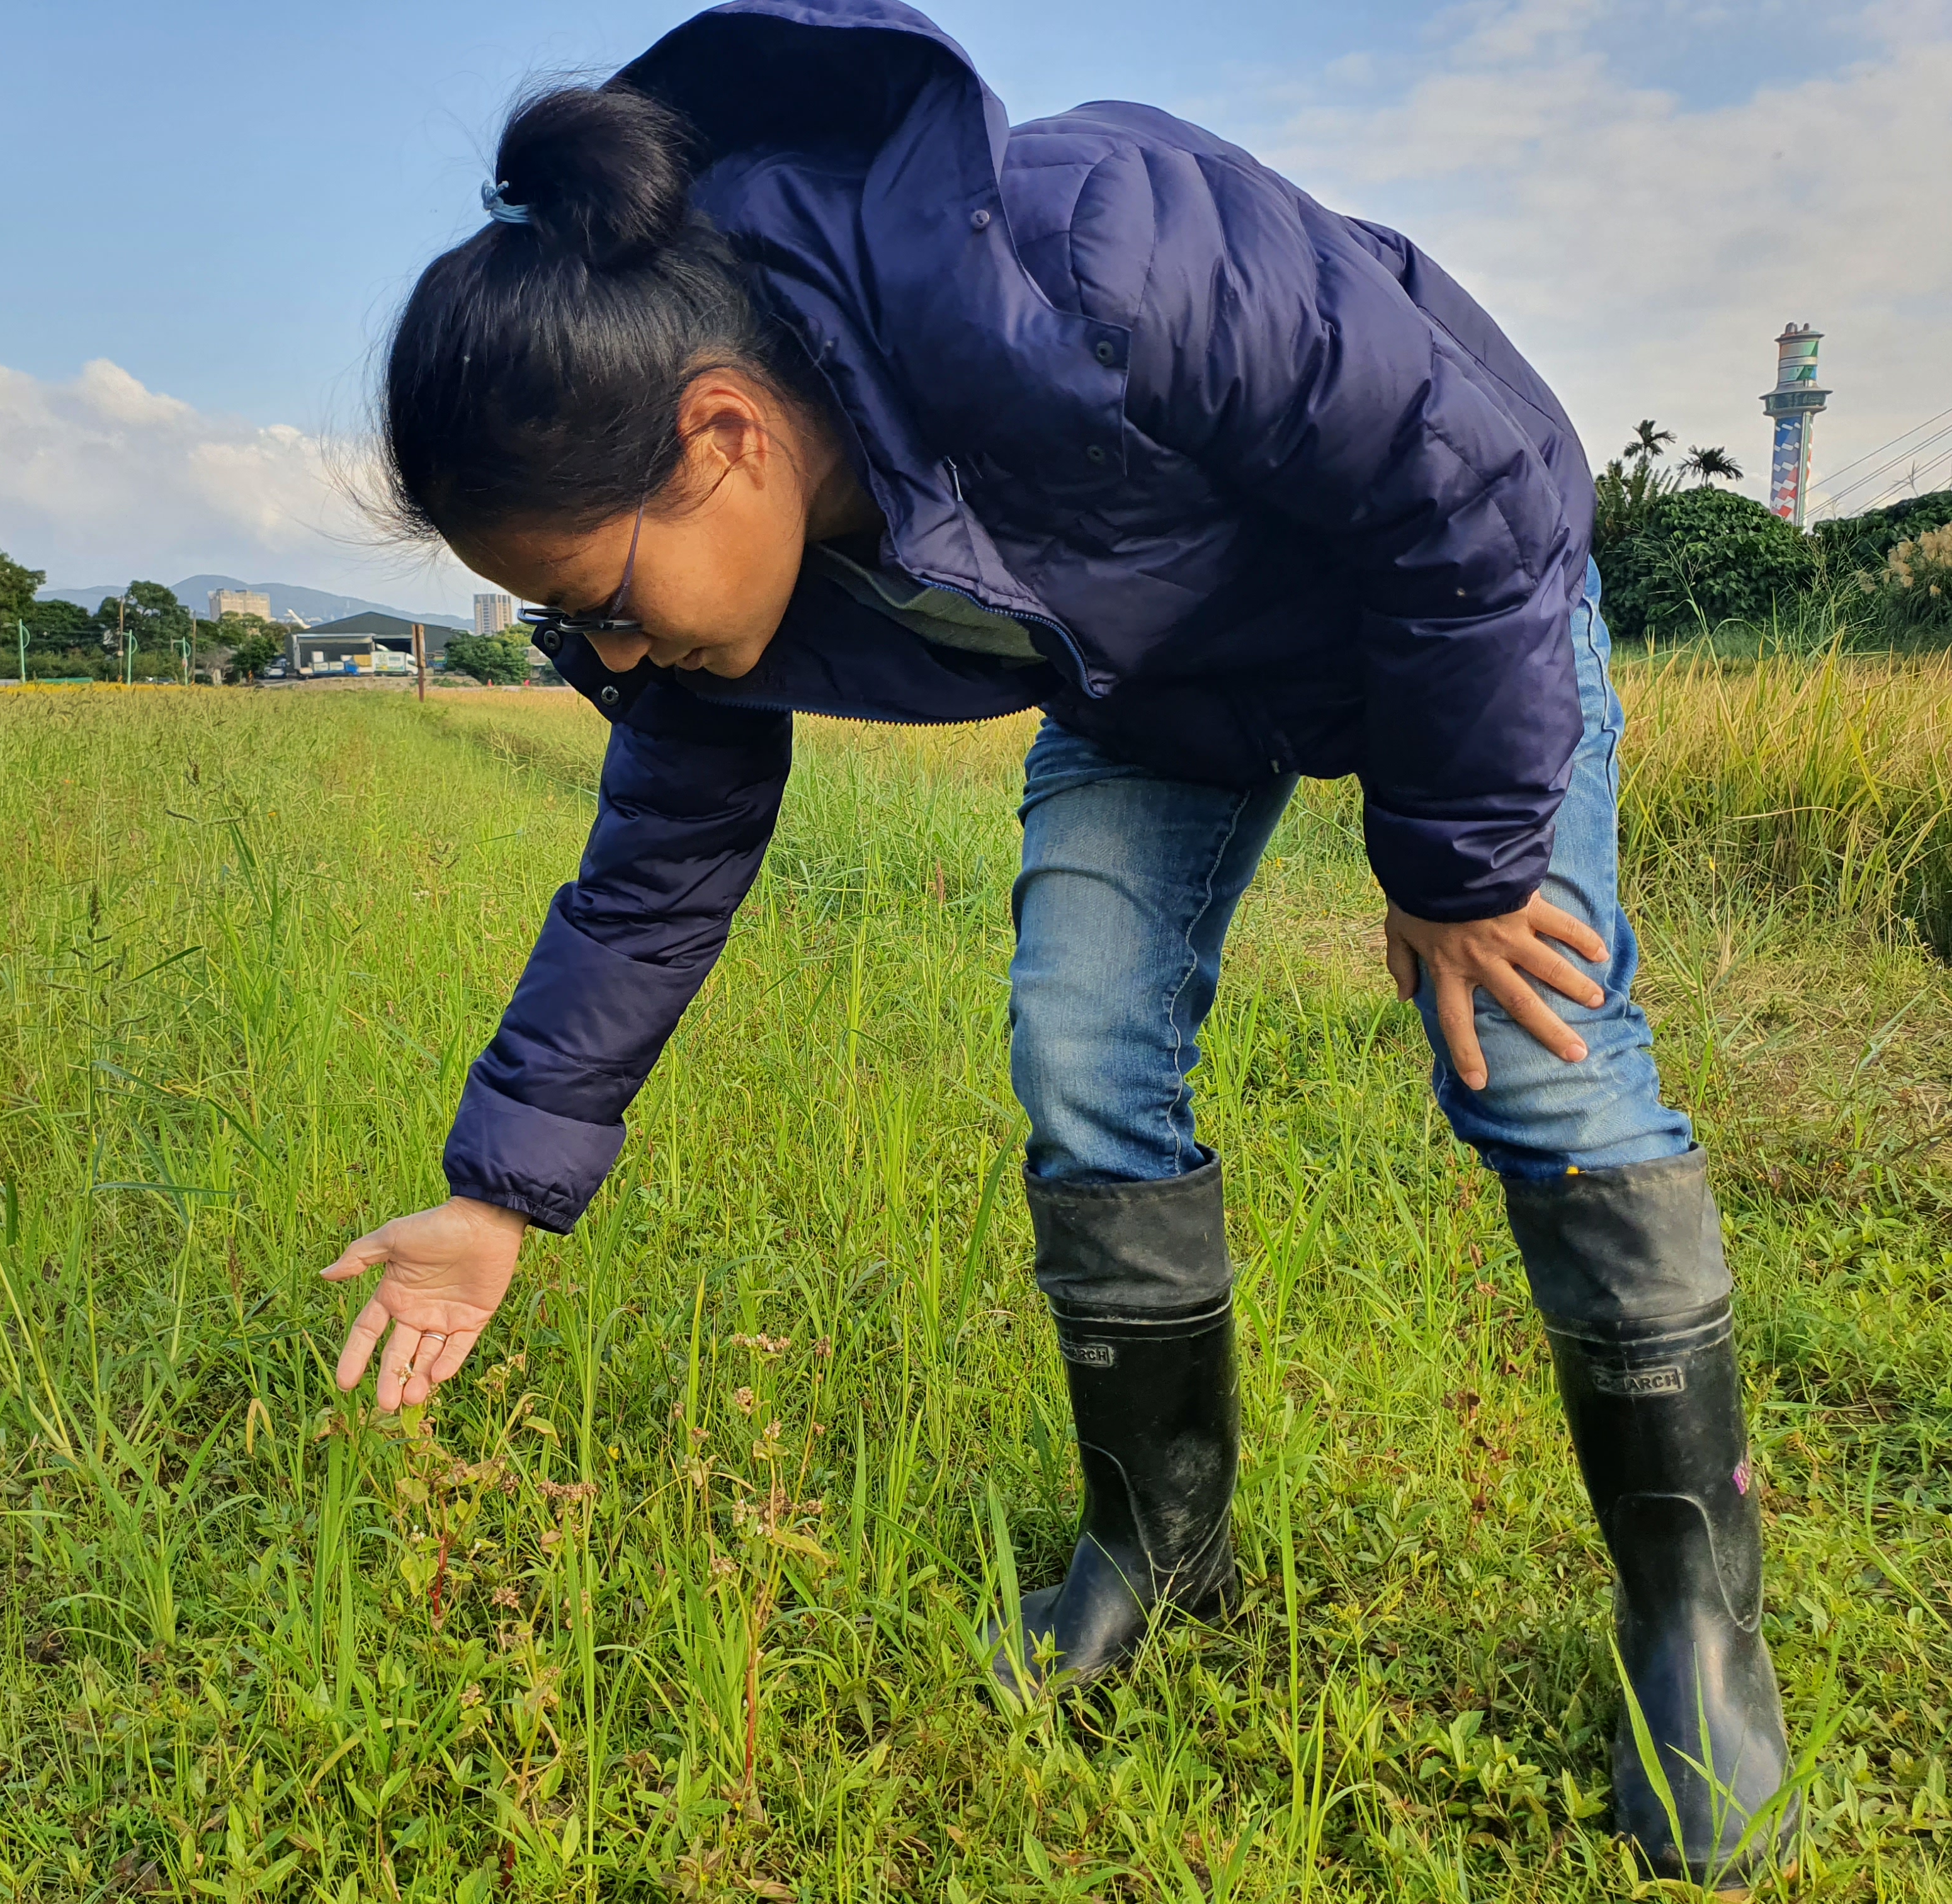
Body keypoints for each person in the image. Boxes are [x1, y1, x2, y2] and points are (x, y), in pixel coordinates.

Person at [319, 0, 1792, 1883]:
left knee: (1540, 1063)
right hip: (1167, 699)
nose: (608, 653)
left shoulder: (1092, 247)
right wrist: (498, 1197)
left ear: (723, 435)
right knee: (1084, 1053)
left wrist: (1461, 855)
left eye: (601, 596)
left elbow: (1478, 479)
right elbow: (656, 862)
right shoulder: (704, 610)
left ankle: (1695, 1625)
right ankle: (1156, 1552)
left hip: (1453, 625)